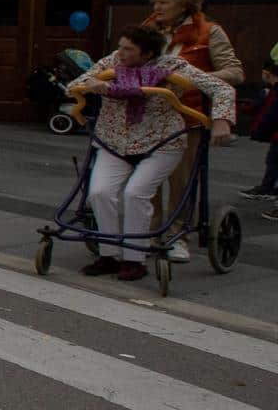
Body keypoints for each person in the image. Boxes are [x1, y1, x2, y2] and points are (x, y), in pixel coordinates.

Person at [69, 25, 235, 281]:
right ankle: (108, 255)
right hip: (113, 140)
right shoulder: (110, 62)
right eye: (121, 46)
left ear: (147, 54)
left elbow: (221, 88)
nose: (120, 53)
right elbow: (74, 85)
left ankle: (135, 259)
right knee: (99, 192)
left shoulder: (173, 66)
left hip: (160, 142)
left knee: (136, 193)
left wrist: (222, 120)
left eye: (128, 49)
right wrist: (90, 84)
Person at [148, 0, 244, 259]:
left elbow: (234, 72)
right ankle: (152, 230)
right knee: (146, 180)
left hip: (186, 117)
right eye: (155, 2)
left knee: (180, 181)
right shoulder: (148, 30)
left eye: (163, 3)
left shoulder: (209, 33)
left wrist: (195, 80)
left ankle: (178, 234)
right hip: (146, 116)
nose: (156, 8)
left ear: (185, 6)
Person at [238, 58, 278, 202]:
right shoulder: (270, 91)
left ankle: (267, 189)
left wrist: (261, 131)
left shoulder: (272, 92)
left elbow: (269, 114)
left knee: (273, 161)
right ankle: (268, 188)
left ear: (267, 73)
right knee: (273, 161)